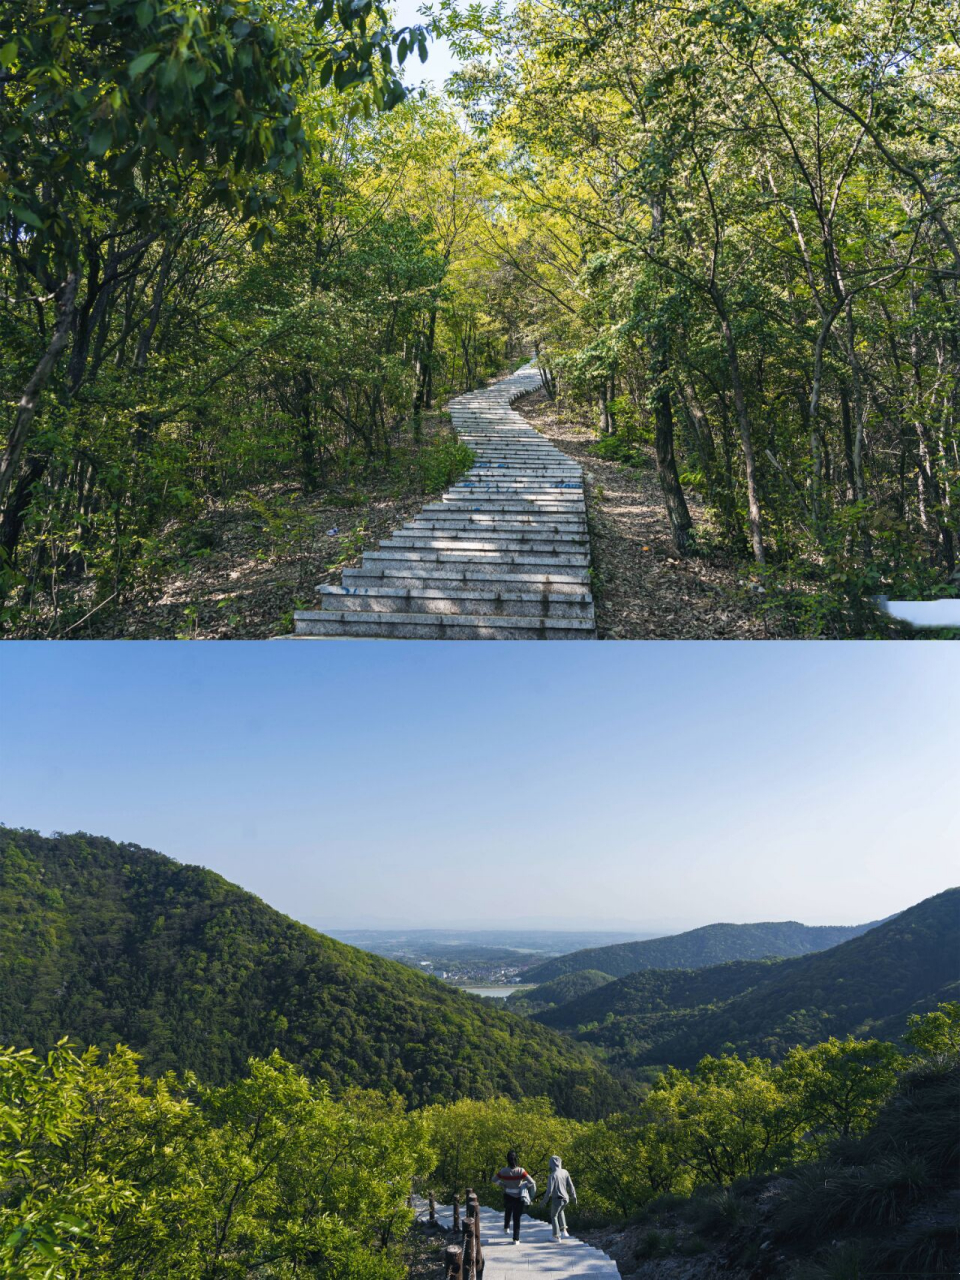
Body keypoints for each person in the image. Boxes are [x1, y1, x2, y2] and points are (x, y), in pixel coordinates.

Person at [492, 1149, 536, 1244]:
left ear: (507, 1159)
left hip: (508, 1194)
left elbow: (494, 1180)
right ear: (516, 1159)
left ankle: (506, 1227)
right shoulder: (521, 1170)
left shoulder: (503, 1171)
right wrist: (524, 1185)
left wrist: (502, 1184)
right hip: (518, 1197)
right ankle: (516, 1239)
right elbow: (532, 1182)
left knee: (508, 1211)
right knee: (517, 1218)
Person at [541, 1154, 577, 1242]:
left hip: (557, 1199)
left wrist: (544, 1201)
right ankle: (564, 1231)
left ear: (552, 1163)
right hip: (566, 1199)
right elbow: (571, 1186)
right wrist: (574, 1196)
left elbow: (549, 1191)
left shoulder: (552, 1176)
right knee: (561, 1211)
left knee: (554, 1216)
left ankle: (556, 1236)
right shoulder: (565, 1172)